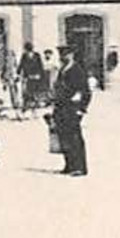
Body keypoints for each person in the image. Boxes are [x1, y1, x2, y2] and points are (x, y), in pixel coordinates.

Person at [51, 46, 91, 175]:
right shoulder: (62, 69)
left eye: (66, 54)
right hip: (61, 107)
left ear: (72, 55)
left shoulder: (77, 70)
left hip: (72, 108)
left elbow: (85, 91)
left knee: (75, 138)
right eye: (61, 55)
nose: (63, 57)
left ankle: (79, 167)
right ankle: (69, 164)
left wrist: (82, 108)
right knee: (64, 137)